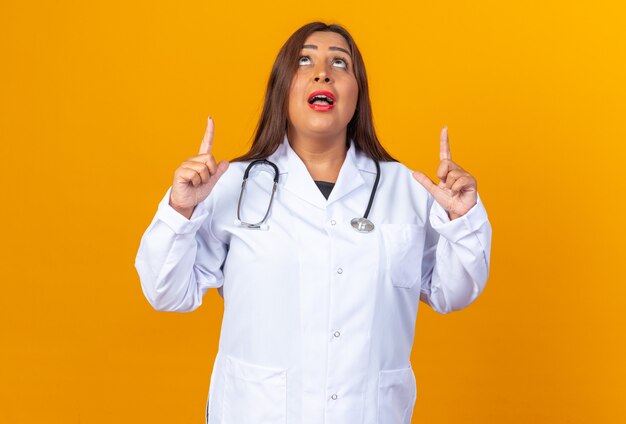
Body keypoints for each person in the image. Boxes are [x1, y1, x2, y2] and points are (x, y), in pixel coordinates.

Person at [134, 21, 492, 424]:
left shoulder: (406, 190)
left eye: (340, 63)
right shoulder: (232, 185)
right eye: (305, 60)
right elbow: (165, 292)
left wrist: (462, 221)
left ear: (359, 95)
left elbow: (453, 292)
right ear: (282, 87)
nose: (323, 71)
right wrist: (179, 211)